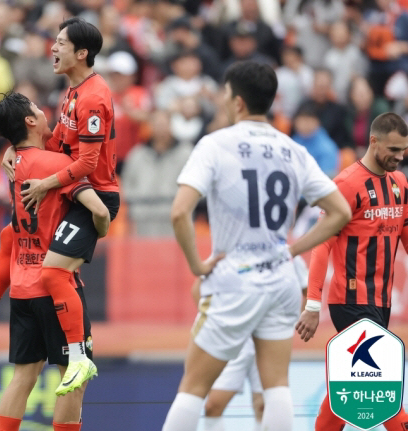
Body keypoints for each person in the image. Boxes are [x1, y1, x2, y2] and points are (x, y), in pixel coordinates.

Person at [162, 61, 352, 431]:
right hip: (280, 279)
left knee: (193, 387)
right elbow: (339, 212)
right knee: (277, 384)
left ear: (236, 101)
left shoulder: (215, 143)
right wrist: (292, 251)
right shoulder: (293, 149)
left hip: (235, 279)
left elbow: (179, 212)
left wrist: (198, 267)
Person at [0, 18, 120, 396]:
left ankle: (78, 358)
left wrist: (45, 184)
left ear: (81, 53)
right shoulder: (72, 91)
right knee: (10, 234)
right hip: (72, 185)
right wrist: (15, 147)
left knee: (54, 274)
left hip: (94, 193)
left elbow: (86, 165)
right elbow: (57, 145)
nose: (52, 48)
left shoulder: (93, 96)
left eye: (60, 43)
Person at [0, 92, 110, 431]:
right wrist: (102, 228)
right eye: (37, 109)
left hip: (20, 287)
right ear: (30, 122)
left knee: (23, 376)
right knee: (73, 377)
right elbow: (100, 210)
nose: (44, 112)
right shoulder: (57, 165)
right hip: (56, 286)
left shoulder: (13, 163)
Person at [296, 112, 408, 430]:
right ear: (373, 142)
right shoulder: (345, 185)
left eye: (404, 151)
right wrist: (312, 305)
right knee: (381, 384)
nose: (400, 158)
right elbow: (322, 246)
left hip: (381, 301)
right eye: (394, 150)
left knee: (350, 384)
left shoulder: (400, 184)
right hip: (350, 300)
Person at [198, 255, 309, 431]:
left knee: (263, 406)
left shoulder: (290, 258)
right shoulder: (229, 252)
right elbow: (198, 289)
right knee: (213, 406)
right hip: (234, 339)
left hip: (269, 340)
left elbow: (308, 291)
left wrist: (291, 322)